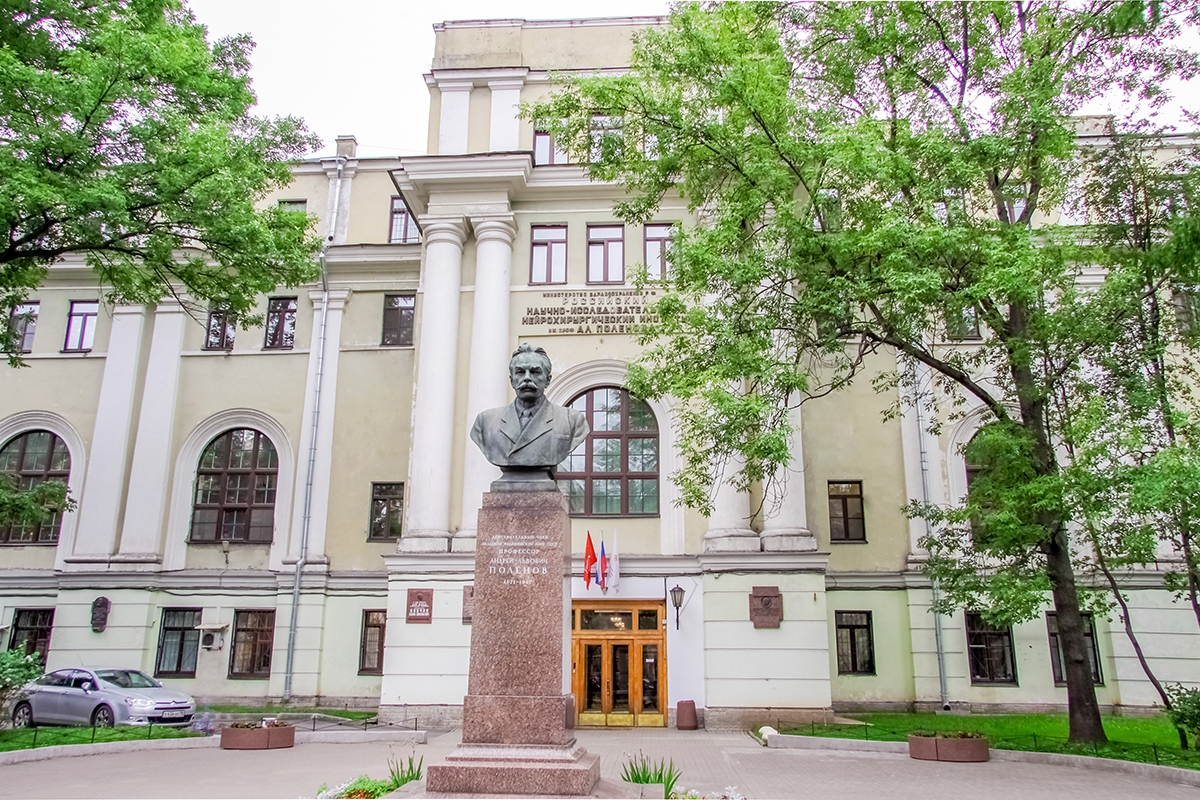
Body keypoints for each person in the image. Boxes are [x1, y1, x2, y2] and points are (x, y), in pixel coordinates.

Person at [470, 344, 589, 475]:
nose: (527, 378)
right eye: (520, 372)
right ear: (512, 380)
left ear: (548, 380)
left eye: (535, 372)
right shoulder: (486, 422)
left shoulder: (572, 420)